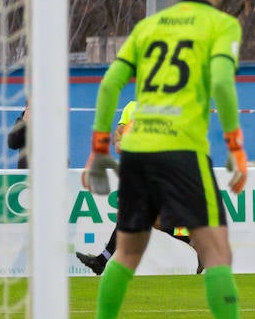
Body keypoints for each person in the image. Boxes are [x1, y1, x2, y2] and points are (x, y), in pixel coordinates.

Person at [78, 0, 255, 319]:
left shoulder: (149, 26)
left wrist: (100, 147)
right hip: (182, 149)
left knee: (125, 254)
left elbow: (108, 85)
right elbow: (221, 83)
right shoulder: (221, 25)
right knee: (218, 253)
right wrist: (237, 148)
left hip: (138, 151)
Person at [75, 101, 203, 276]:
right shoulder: (131, 107)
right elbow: (119, 132)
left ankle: (101, 261)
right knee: (153, 221)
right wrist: (118, 141)